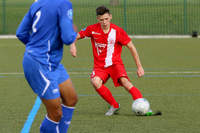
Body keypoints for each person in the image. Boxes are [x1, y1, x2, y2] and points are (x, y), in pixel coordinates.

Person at [70, 5, 150, 116]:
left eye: (106, 19)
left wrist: (139, 66)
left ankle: (142, 106)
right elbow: (76, 36)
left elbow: (131, 47)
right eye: (101, 20)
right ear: (98, 19)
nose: (104, 22)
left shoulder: (118, 31)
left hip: (115, 64)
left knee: (125, 83)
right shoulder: (92, 29)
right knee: (95, 82)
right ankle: (114, 105)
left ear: (110, 17)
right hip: (100, 66)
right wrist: (72, 45)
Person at [16, 0, 77, 132]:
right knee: (56, 113)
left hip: (52, 62)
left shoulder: (37, 3)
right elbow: (67, 37)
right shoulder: (64, 4)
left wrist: (35, 46)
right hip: (39, 63)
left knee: (71, 98)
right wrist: (74, 34)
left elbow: (21, 33)